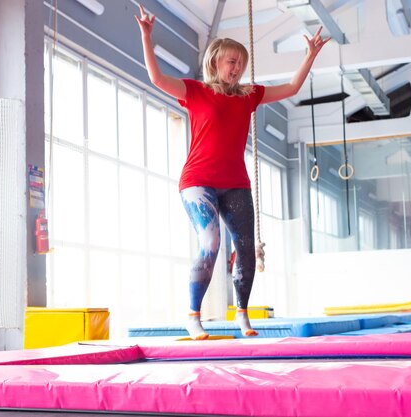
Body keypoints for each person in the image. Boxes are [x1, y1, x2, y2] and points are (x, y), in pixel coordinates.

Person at [135, 4, 330, 340]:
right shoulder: (196, 92)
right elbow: (156, 78)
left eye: (241, 63)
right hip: (197, 181)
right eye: (231, 61)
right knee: (210, 241)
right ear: (215, 62)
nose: (237, 67)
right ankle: (193, 315)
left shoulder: (249, 96)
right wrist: (146, 35)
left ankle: (242, 314)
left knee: (245, 246)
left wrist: (309, 55)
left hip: (235, 183)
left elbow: (292, 88)